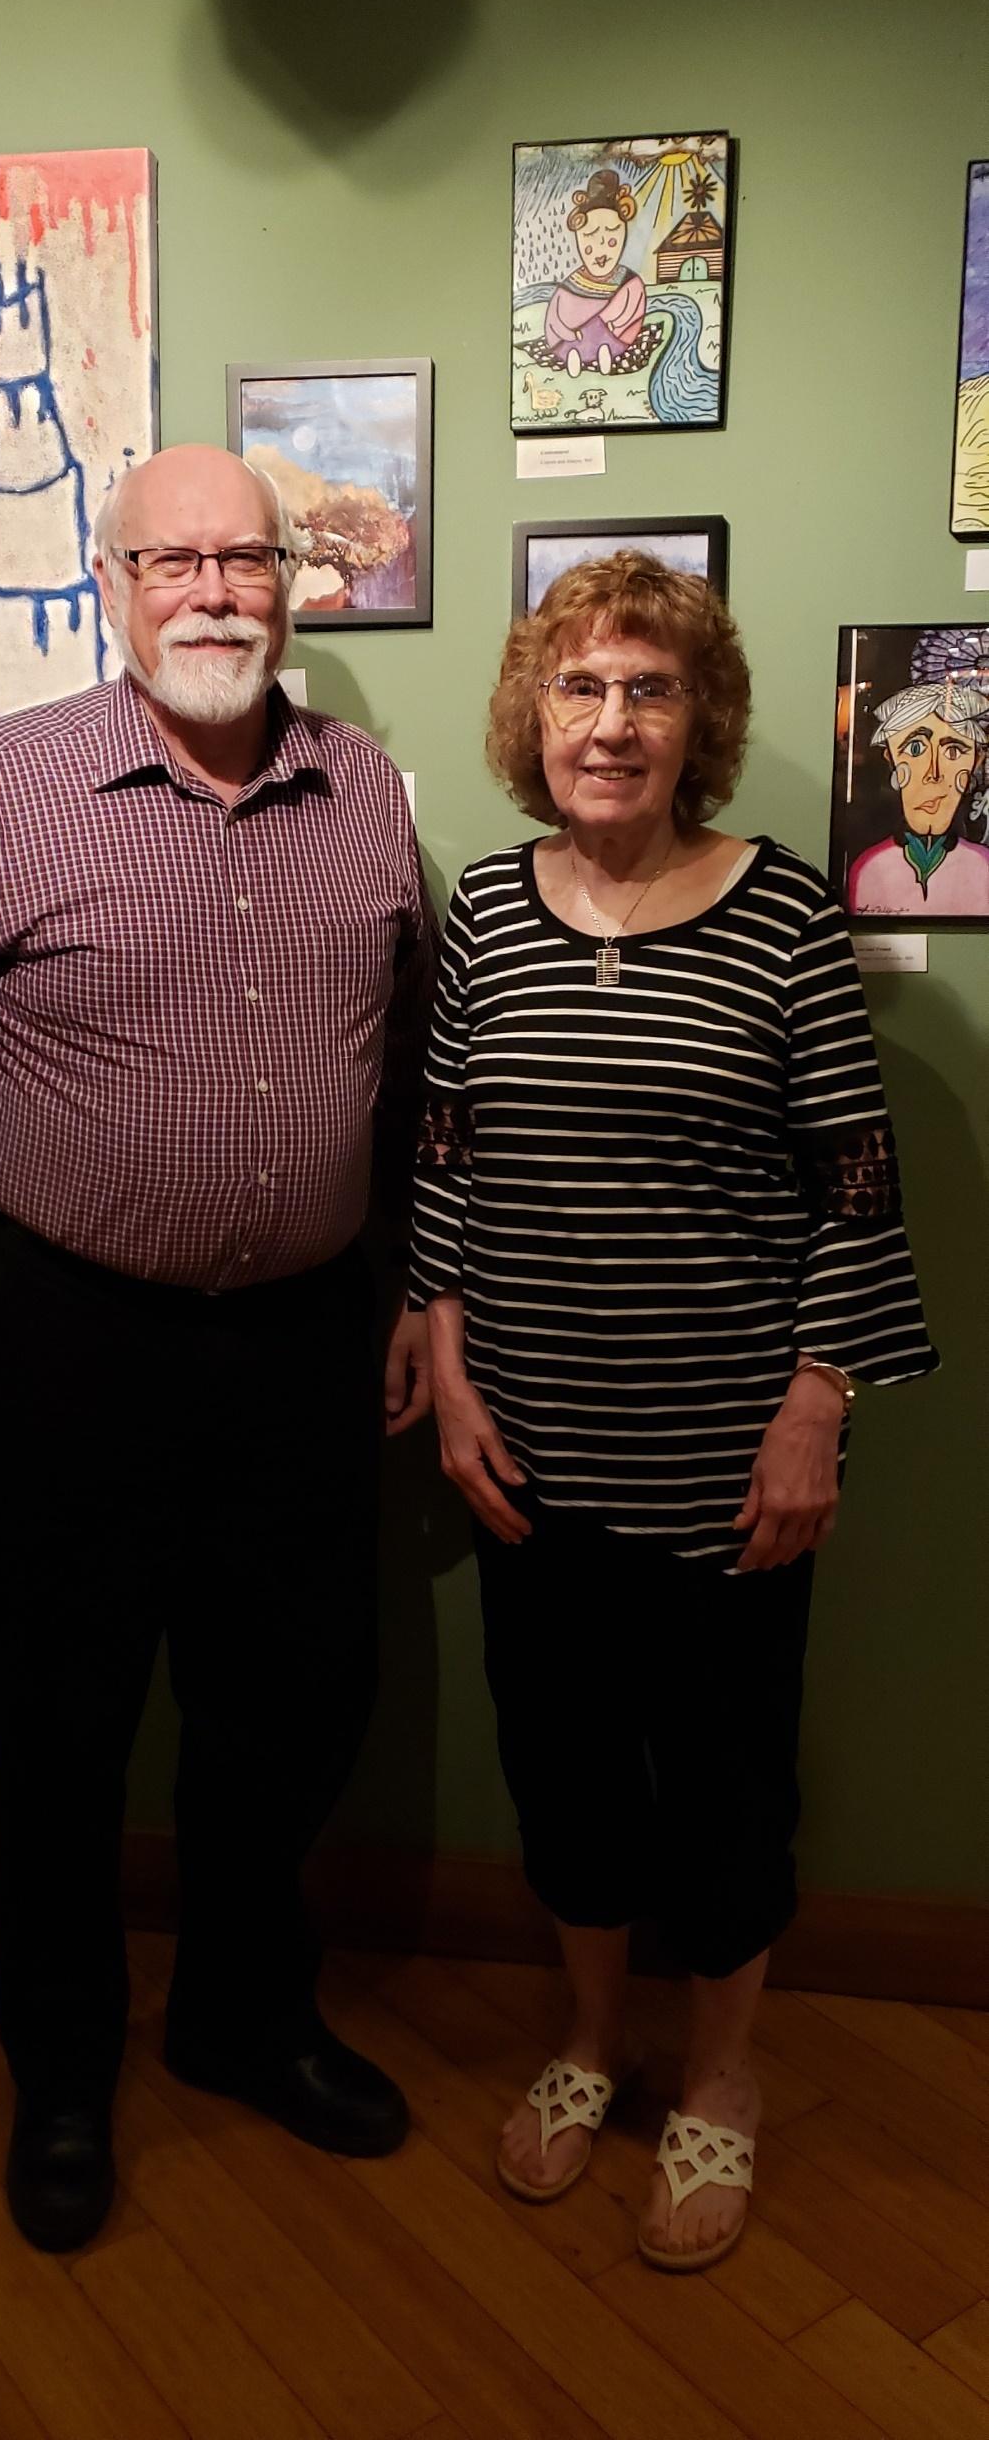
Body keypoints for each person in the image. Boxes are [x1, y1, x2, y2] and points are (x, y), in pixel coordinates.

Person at [0, 443, 438, 2252]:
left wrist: (406, 1286)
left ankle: (242, 2018)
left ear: (294, 583)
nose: (214, 592)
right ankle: (64, 2072)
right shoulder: (3, 793)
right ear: (112, 582)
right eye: (171, 560)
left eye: (245, 559)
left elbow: (402, 1078)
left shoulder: (366, 792)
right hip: (61, 1342)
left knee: (289, 1710)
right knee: (61, 1730)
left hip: (303, 1349)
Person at [410, 551, 937, 2273]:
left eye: (648, 689)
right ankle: (586, 2044)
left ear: (697, 717)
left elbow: (852, 1188)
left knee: (722, 1796)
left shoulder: (781, 914)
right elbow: (441, 1169)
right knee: (561, 1775)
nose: (611, 722)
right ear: (530, 714)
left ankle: (718, 2079)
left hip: (727, 1472)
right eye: (579, 687)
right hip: (527, 1462)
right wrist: (446, 1370)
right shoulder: (483, 913)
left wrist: (814, 1413)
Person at [847, 675, 989, 915]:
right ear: (891, 759)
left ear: (976, 763)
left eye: (953, 751)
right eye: (915, 749)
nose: (932, 773)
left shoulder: (984, 867)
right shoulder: (868, 869)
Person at [543, 168, 648, 377]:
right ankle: (574, 354)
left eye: (611, 239)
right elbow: (555, 317)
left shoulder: (629, 282)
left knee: (602, 332)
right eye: (590, 237)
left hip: (613, 339)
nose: (601, 248)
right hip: (571, 340)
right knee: (570, 341)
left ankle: (603, 352)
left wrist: (608, 322)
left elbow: (631, 312)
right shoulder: (572, 282)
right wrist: (566, 331)